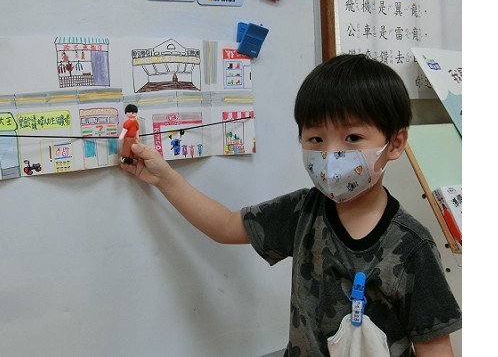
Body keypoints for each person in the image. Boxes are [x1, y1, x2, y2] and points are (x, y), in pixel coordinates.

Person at [119, 54, 461, 356]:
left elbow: (435, 348)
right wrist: (165, 178)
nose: (330, 154)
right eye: (316, 139)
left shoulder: (412, 246)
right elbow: (224, 226)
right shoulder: (303, 212)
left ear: (395, 143)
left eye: (353, 138)